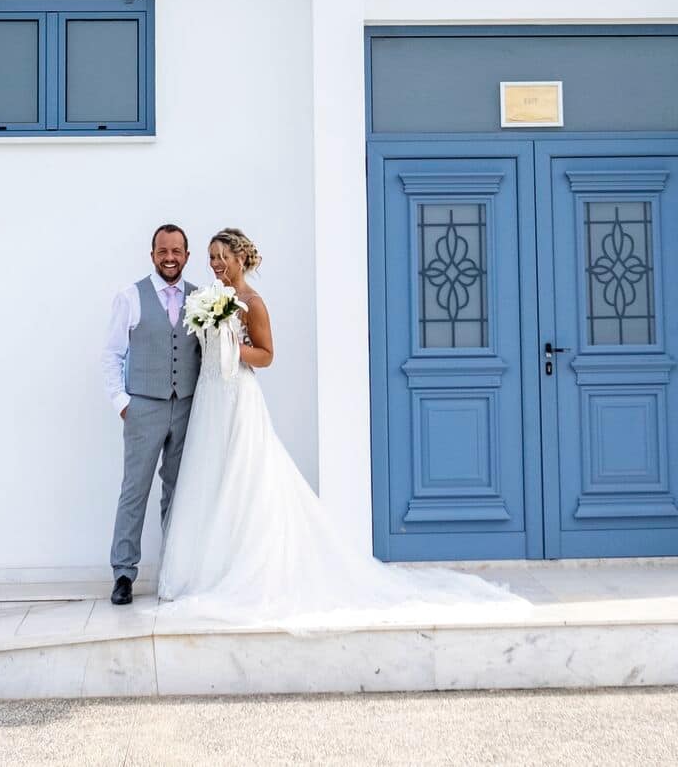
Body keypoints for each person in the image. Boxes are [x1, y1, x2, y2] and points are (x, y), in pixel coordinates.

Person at [156, 228, 524, 627]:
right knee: (208, 478)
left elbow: (266, 355)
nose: (215, 264)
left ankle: (244, 568)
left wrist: (234, 348)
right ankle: (204, 570)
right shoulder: (208, 298)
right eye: (211, 257)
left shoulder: (252, 303)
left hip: (238, 400)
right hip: (210, 397)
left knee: (243, 480)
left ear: (241, 258)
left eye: (221, 256)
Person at [101, 224, 201, 606]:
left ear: (187, 255)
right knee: (135, 490)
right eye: (163, 251)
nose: (170, 257)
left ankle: (173, 572)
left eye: (177, 251)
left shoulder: (200, 298)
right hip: (143, 405)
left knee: (179, 491)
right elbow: (112, 354)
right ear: (153, 254)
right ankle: (124, 573)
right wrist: (122, 403)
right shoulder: (131, 297)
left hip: (187, 406)